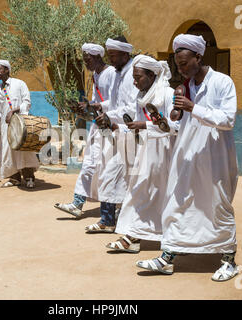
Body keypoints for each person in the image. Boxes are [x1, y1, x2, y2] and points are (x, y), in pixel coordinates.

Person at [136, 34, 240, 282]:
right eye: (177, 65)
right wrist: (165, 122)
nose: (180, 69)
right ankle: (167, 258)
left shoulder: (223, 82)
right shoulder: (185, 87)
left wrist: (194, 108)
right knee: (176, 204)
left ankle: (229, 261)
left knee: (217, 207)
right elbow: (180, 126)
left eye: (184, 63)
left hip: (215, 160)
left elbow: (228, 120)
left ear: (198, 57)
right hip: (186, 158)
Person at [105, 54, 179, 253]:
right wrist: (117, 127)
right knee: (141, 193)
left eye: (139, 77)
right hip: (146, 153)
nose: (135, 82)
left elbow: (175, 126)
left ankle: (137, 237)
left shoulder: (167, 93)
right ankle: (134, 236)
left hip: (164, 153)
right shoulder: (141, 97)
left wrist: (144, 125)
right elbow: (136, 126)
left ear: (152, 75)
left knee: (154, 195)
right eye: (134, 78)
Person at [85, 36, 139, 233]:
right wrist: (101, 106)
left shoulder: (134, 74)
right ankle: (109, 219)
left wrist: (110, 115)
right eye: (110, 55)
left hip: (131, 133)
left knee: (129, 179)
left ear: (125, 54)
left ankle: (118, 221)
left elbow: (132, 108)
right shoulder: (118, 73)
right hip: (115, 131)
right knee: (110, 175)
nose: (111, 60)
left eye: (114, 56)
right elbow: (115, 102)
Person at [54, 43, 115, 217]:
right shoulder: (95, 75)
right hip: (98, 126)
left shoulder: (111, 73)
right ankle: (77, 204)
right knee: (89, 163)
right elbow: (96, 102)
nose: (85, 63)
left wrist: (94, 105)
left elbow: (116, 101)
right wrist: (84, 109)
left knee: (110, 168)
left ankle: (116, 208)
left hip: (112, 126)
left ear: (97, 57)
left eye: (87, 59)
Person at [0, 60, 39, 189]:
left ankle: (29, 177)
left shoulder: (19, 84)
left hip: (20, 123)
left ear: (7, 69)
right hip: (6, 126)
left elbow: (27, 102)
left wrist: (14, 110)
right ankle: (14, 178)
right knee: (8, 151)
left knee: (24, 151)